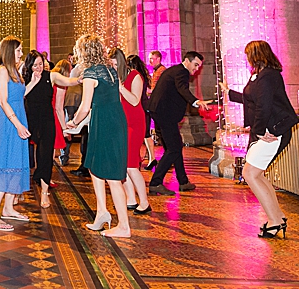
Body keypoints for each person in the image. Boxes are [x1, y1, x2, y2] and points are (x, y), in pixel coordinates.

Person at [220, 40, 299, 238]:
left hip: (272, 132)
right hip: (266, 131)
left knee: (250, 174)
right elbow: (252, 99)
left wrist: (259, 130)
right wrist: (229, 92)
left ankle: (275, 220)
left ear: (256, 55)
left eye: (248, 54)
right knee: (257, 175)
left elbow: (264, 107)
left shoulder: (268, 76)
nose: (247, 59)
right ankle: (278, 217)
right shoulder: (259, 76)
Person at [66, 35, 131, 238]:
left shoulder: (91, 73)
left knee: (112, 177)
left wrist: (74, 122)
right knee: (94, 167)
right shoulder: (110, 70)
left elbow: (85, 106)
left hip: (106, 124)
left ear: (83, 52)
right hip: (113, 120)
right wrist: (82, 123)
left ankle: (124, 226)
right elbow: (101, 103)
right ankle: (102, 212)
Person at [0, 36, 31, 231]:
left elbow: (19, 95)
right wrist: (18, 124)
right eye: (18, 50)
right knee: (4, 163)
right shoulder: (2, 71)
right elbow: (3, 101)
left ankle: (8, 208)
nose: (21, 53)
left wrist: (34, 82)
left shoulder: (14, 72)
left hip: (17, 118)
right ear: (9, 51)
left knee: (15, 162)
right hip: (9, 122)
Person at [23, 51, 81, 209]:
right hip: (29, 121)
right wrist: (32, 82)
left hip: (47, 121)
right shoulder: (25, 77)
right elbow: (20, 95)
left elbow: (67, 81)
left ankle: (44, 192)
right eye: (35, 65)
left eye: (41, 64)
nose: (39, 68)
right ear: (29, 66)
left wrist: (79, 79)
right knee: (23, 156)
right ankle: (16, 191)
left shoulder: (51, 76)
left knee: (46, 156)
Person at [145, 51, 207, 195]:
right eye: (195, 65)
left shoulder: (175, 70)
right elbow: (182, 89)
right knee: (173, 148)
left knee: (175, 146)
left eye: (199, 66)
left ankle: (183, 181)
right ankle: (155, 183)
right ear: (187, 61)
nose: (196, 69)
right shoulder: (181, 72)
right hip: (164, 114)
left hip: (161, 112)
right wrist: (196, 101)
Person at [117, 51, 151, 214]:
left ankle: (144, 202)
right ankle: (131, 199)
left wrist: (120, 88)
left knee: (131, 166)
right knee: (124, 166)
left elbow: (135, 100)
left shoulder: (135, 75)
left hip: (135, 124)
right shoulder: (119, 78)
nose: (113, 67)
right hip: (122, 123)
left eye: (116, 64)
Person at [51, 59, 72, 165]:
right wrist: (64, 128)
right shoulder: (61, 83)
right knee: (51, 148)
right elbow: (58, 107)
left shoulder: (51, 77)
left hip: (45, 112)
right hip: (53, 115)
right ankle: (47, 178)